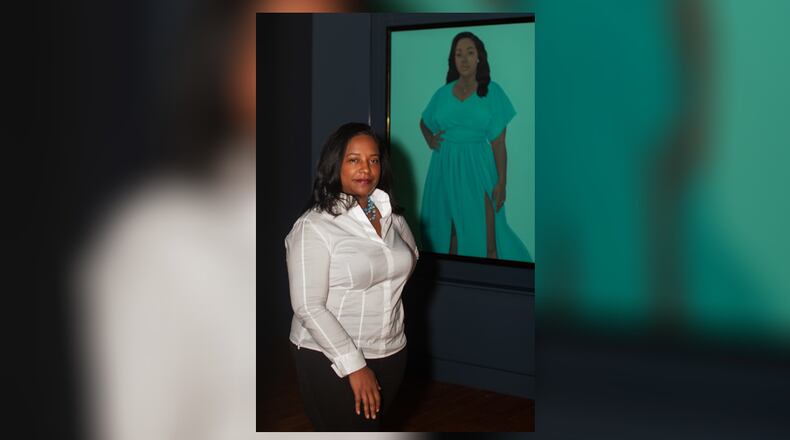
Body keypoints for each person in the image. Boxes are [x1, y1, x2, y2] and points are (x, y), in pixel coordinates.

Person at [285, 122, 419, 431]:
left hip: (391, 350)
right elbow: (307, 306)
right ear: (335, 164)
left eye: (373, 160)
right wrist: (354, 366)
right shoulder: (314, 226)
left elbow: (410, 258)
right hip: (329, 357)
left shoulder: (390, 215)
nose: (366, 168)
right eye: (354, 159)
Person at [419, 31, 531, 261]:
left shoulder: (493, 92)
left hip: (479, 167)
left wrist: (502, 181)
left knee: (488, 238)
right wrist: (430, 139)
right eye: (459, 54)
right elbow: (424, 121)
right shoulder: (442, 94)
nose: (465, 59)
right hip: (444, 167)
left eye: (470, 53)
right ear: (453, 59)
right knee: (449, 237)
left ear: (479, 57)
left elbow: (499, 143)